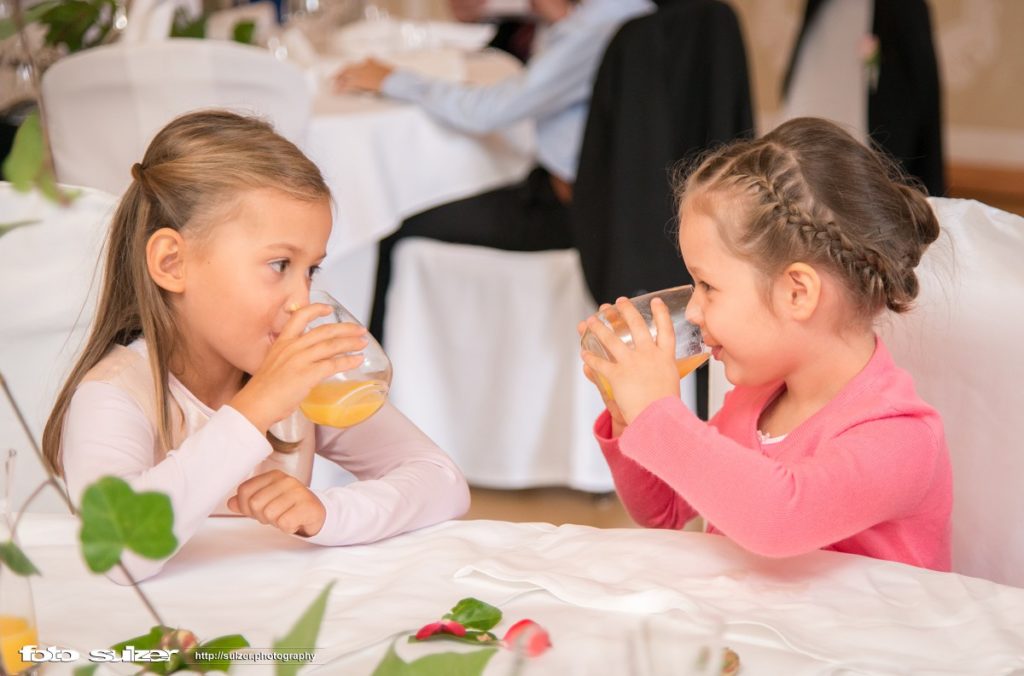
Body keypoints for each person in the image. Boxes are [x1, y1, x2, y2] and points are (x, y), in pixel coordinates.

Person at [42, 111, 470, 582]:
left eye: (312, 271)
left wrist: (328, 514)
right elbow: (119, 552)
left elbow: (440, 480)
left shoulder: (303, 384)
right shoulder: (115, 393)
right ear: (172, 263)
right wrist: (255, 408)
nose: (302, 301)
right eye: (279, 264)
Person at [580, 117, 952, 570]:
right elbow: (664, 512)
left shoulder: (900, 438)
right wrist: (628, 418)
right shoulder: (756, 399)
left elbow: (778, 517)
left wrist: (659, 416)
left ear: (798, 293)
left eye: (708, 286)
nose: (693, 311)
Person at [334, 0, 654, 339]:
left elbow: (489, 110)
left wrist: (393, 79)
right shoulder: (629, 11)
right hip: (612, 202)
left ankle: (369, 370)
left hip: (570, 210)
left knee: (397, 232)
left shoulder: (600, 28)